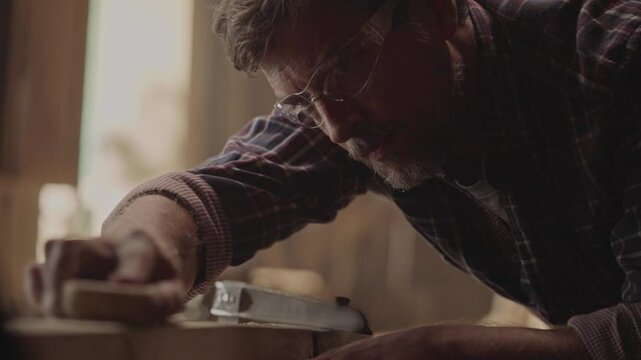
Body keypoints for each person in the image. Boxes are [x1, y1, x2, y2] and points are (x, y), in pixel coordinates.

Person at [26, 0, 641, 358]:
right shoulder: (349, 112)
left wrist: (438, 351)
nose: (337, 127)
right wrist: (145, 247)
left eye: (345, 67)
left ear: (435, 10)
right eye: (303, 99)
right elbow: (213, 194)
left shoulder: (619, 67)